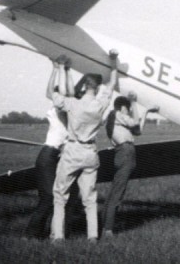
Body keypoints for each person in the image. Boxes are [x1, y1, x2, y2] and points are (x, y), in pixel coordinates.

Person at [50, 49, 120, 244]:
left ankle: (58, 236)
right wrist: (113, 61)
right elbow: (113, 83)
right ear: (96, 89)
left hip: (73, 150)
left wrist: (59, 69)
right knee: (89, 198)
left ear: (84, 87)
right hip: (90, 152)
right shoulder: (99, 104)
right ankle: (92, 236)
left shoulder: (72, 103)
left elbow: (53, 95)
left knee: (60, 195)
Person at [24, 58, 70, 238]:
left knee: (53, 198)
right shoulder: (59, 110)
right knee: (49, 198)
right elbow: (53, 92)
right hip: (48, 157)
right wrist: (60, 70)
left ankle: (44, 233)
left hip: (55, 156)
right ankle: (30, 235)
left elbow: (52, 91)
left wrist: (58, 70)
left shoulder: (62, 110)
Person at [102, 93, 147, 238]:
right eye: (128, 109)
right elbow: (134, 122)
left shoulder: (116, 119)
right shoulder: (116, 114)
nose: (129, 111)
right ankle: (108, 230)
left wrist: (146, 111)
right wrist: (134, 102)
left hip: (123, 153)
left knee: (115, 191)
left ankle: (105, 225)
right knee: (117, 193)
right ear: (123, 108)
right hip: (125, 152)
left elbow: (138, 130)